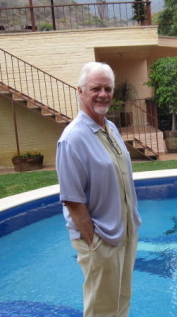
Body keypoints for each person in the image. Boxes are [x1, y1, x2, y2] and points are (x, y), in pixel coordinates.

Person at [56, 62, 141, 317]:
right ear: (80, 91)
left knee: (122, 299)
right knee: (102, 309)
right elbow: (72, 199)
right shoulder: (72, 138)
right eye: (96, 88)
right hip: (101, 238)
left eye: (108, 88)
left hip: (124, 232)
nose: (103, 94)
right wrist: (94, 243)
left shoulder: (110, 128)